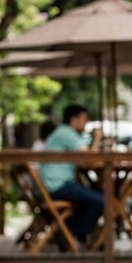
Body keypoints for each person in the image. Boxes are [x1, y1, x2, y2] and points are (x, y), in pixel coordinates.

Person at [39, 104, 105, 246]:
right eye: (84, 118)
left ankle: (69, 233)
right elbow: (88, 157)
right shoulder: (66, 133)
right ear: (74, 119)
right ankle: (74, 234)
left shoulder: (65, 133)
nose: (86, 122)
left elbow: (84, 155)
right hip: (57, 185)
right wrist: (97, 138)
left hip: (55, 183)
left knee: (95, 195)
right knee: (101, 200)